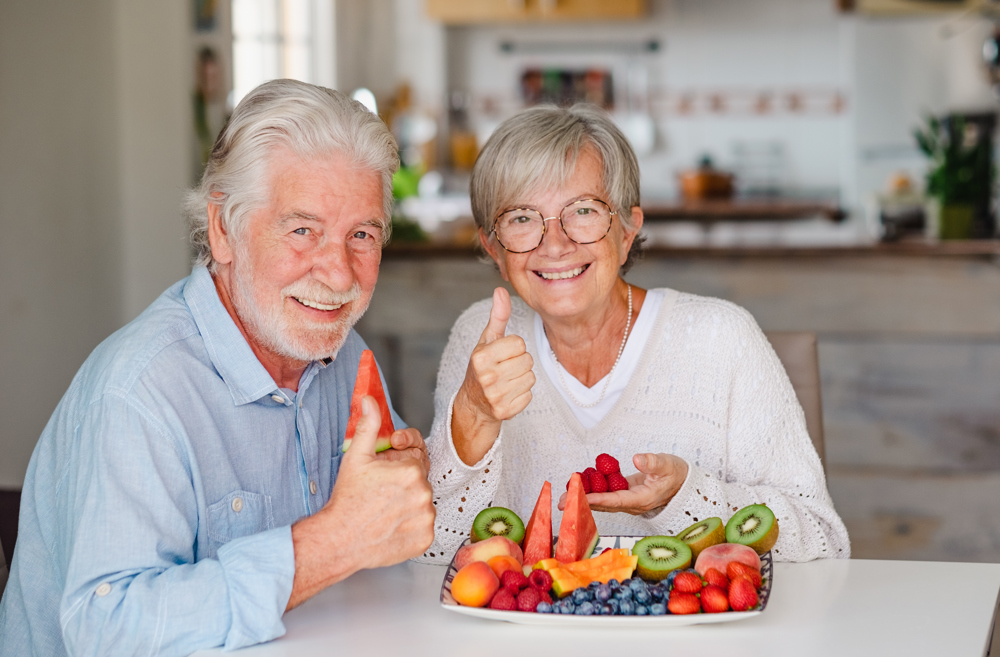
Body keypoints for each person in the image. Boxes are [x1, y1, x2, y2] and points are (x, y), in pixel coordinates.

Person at [0, 79, 435, 655]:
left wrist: (403, 481)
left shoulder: (341, 350)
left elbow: (386, 519)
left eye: (362, 234)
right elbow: (105, 631)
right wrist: (330, 544)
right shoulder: (138, 395)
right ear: (223, 230)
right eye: (302, 230)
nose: (339, 274)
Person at [419, 104, 849, 564]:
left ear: (627, 231)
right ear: (494, 248)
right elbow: (432, 556)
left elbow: (825, 545)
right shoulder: (479, 338)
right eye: (522, 218)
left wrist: (685, 498)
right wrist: (473, 417)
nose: (556, 244)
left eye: (582, 210)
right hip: (527, 634)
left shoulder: (723, 338)